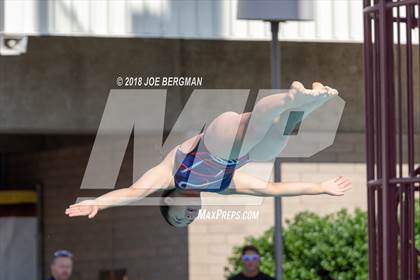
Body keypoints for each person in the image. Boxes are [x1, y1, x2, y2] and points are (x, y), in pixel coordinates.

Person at [65, 81, 352, 226]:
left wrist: (99, 203)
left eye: (179, 219)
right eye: (188, 222)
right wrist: (320, 187)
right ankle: (310, 101)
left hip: (215, 140)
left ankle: (290, 97)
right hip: (239, 153)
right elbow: (272, 189)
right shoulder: (223, 186)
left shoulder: (168, 176)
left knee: (252, 130)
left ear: (169, 202)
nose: (188, 218)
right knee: (276, 142)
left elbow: (132, 192)